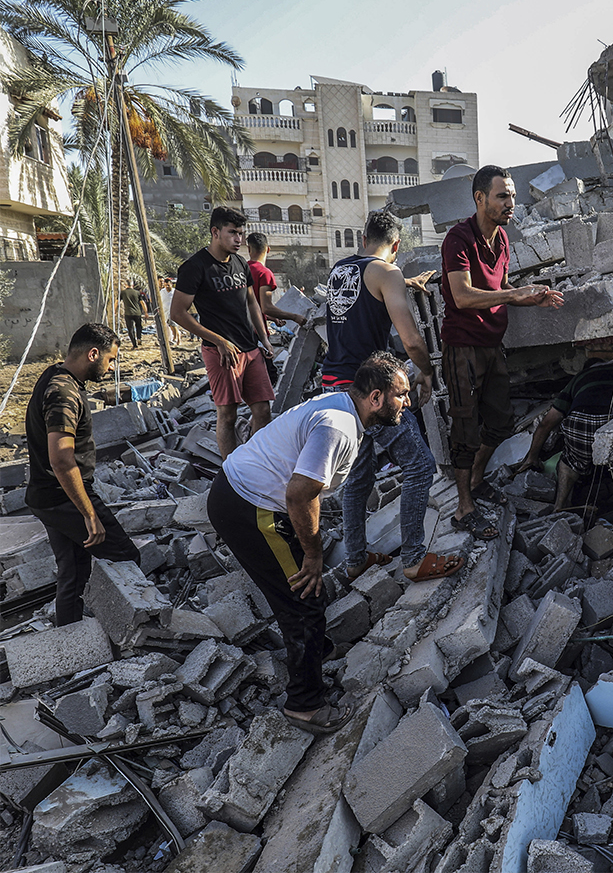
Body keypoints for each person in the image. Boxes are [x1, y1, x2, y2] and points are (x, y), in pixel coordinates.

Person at [207, 350, 412, 734]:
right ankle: (305, 704)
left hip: (246, 496)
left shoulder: (342, 408)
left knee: (305, 590)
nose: (408, 402)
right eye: (401, 394)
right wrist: (314, 555)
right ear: (376, 398)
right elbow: (300, 495)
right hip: (249, 507)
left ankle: (313, 651)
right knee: (303, 597)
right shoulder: (338, 426)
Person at [322, 210, 457, 582]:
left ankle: (355, 559)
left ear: (363, 239)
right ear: (395, 246)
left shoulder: (341, 270)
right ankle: (413, 557)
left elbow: (363, 301)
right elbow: (412, 340)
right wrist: (426, 373)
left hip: (335, 386)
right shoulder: (388, 273)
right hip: (371, 392)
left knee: (358, 479)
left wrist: (400, 283)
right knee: (420, 465)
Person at [440, 164, 563, 538]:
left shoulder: (503, 240)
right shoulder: (458, 239)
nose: (511, 203)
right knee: (465, 430)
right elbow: (461, 296)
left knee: (500, 422)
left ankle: (476, 481)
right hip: (463, 347)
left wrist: (533, 299)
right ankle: (463, 508)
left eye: (512, 195)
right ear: (480, 198)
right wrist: (513, 295)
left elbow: (504, 286)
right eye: (502, 196)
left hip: (493, 345)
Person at [24, 323, 141, 626]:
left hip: (46, 496)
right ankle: (133, 635)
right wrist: (88, 513)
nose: (112, 366)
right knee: (126, 558)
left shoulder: (55, 377)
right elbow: (62, 459)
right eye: (110, 359)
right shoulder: (63, 394)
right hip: (64, 497)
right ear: (93, 353)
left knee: (73, 573)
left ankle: (74, 645)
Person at [171, 207, 275, 459]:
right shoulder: (195, 267)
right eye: (232, 233)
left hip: (250, 349)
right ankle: (232, 471)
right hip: (222, 354)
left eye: (241, 233)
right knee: (227, 414)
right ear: (215, 232)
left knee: (262, 410)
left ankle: (256, 463)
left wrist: (263, 338)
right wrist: (218, 341)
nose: (238, 239)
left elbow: (252, 302)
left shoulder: (240, 263)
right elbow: (178, 313)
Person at [521, 357, 613, 522]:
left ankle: (559, 506)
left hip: (580, 423)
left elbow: (546, 424)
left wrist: (532, 456)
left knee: (569, 463)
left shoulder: (579, 378)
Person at [246, 232, 308, 334]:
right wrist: (294, 317)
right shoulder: (264, 273)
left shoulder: (241, 269)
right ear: (268, 249)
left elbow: (251, 306)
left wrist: (273, 319)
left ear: (249, 249)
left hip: (240, 333)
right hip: (256, 334)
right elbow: (266, 307)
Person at [119, 278, 146, 348]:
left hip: (128, 313)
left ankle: (134, 344)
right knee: (139, 326)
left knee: (130, 329)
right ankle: (139, 338)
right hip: (137, 313)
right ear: (132, 285)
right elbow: (142, 303)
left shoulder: (123, 293)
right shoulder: (137, 292)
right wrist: (146, 312)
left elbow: (117, 302)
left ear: (125, 285)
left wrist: (115, 311)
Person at [158, 277, 182, 343]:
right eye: (165, 285)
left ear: (171, 284)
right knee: (169, 326)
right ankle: (173, 338)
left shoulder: (175, 292)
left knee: (173, 325)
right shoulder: (162, 292)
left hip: (173, 311)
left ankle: (176, 338)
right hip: (165, 311)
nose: (167, 287)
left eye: (168, 285)